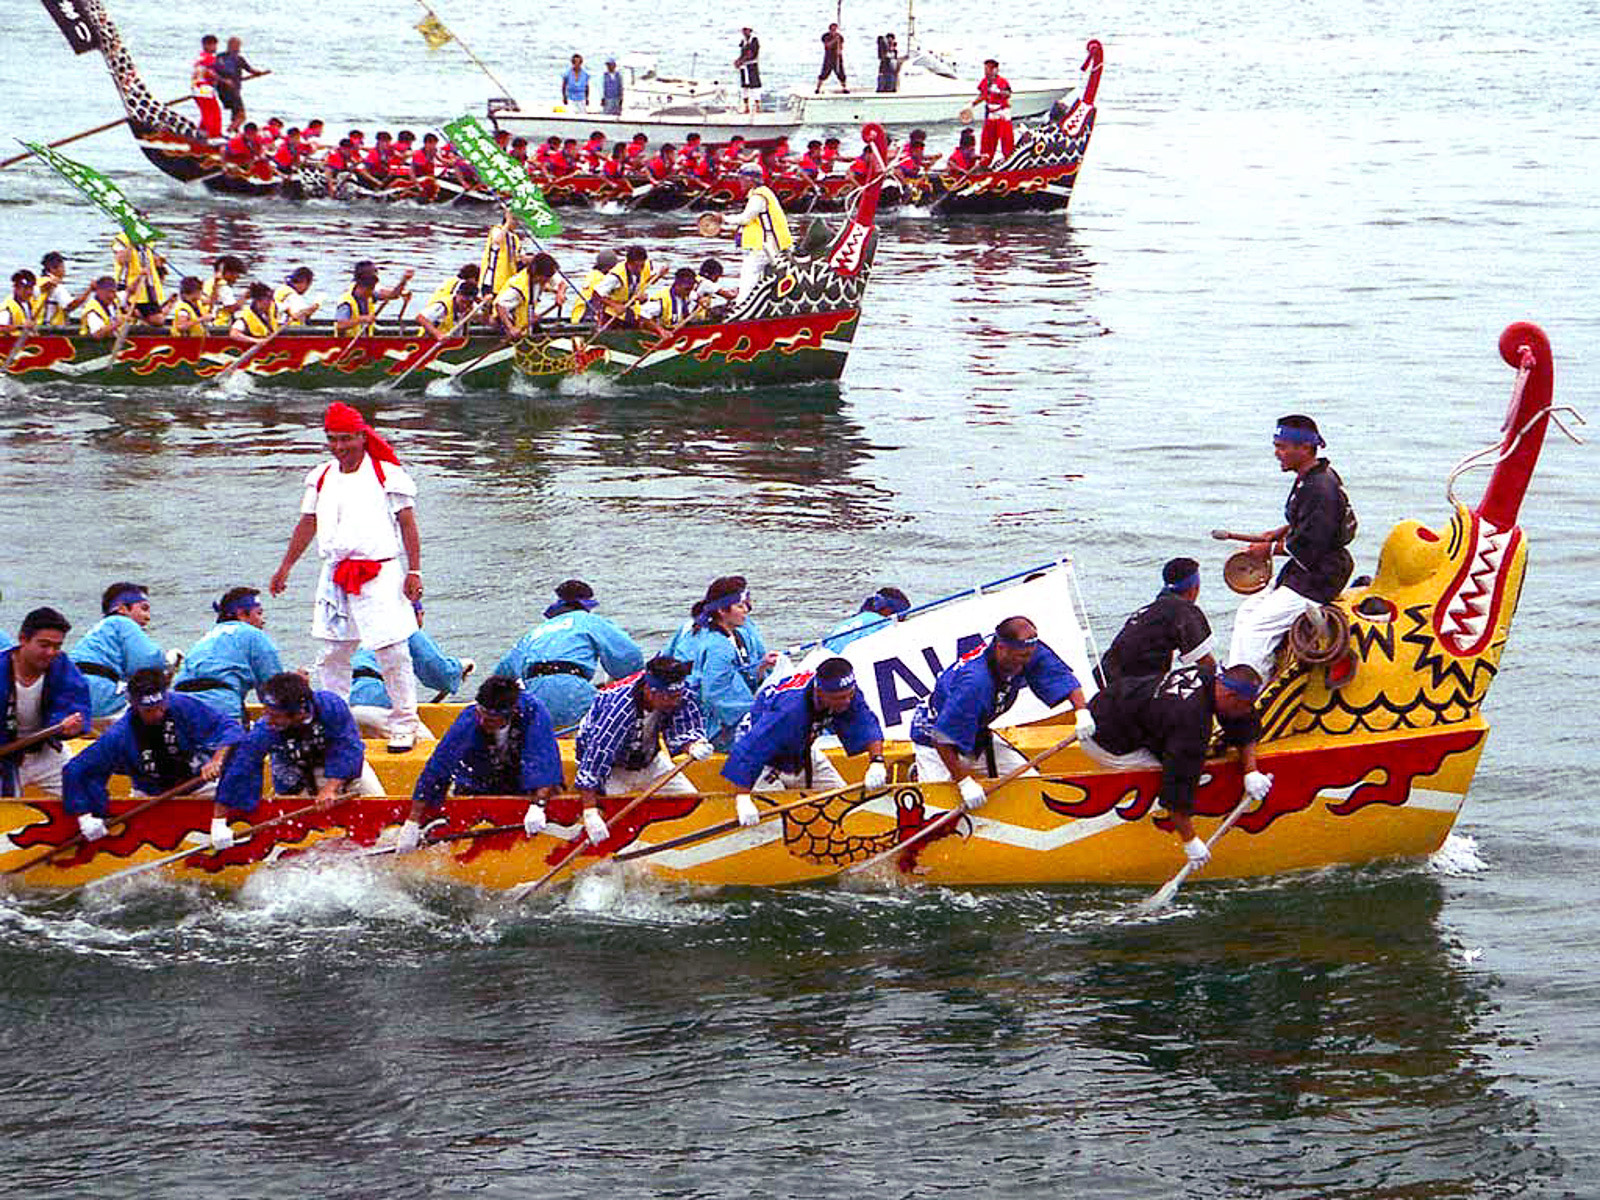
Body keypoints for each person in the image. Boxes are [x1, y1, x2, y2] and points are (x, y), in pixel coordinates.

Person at [268, 402, 424, 752]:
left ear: (362, 437)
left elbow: (408, 524)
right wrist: (285, 566)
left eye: (347, 439)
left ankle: (404, 721)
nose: (340, 447)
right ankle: (334, 720)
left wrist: (414, 570)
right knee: (333, 652)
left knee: (392, 650)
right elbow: (307, 523)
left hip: (380, 571)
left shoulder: (387, 474)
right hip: (336, 573)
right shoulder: (321, 476)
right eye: (333, 439)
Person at [1079, 662, 1272, 870]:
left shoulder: (1208, 677)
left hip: (1115, 703)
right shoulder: (1191, 724)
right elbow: (1176, 787)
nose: (1248, 711)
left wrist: (1251, 771)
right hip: (1105, 738)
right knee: (1172, 773)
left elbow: (1243, 720)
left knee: (1188, 755)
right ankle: (1155, 832)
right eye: (1246, 705)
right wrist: (1191, 841)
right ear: (1231, 696)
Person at [1227, 415, 1358, 679]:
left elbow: (1312, 546)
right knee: (1247, 611)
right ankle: (1234, 677)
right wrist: (1281, 531)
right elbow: (1311, 522)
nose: (1277, 453)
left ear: (1305, 448)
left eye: (1282, 447)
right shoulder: (1310, 478)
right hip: (1302, 571)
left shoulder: (1319, 488)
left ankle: (1250, 694)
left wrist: (1268, 549)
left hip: (1319, 575)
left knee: (1257, 628)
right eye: (1276, 445)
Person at [909, 616, 1091, 800]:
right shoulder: (974, 683)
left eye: (1031, 655)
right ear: (1001, 647)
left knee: (1029, 779)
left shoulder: (1026, 648)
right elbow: (942, 739)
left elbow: (1060, 676)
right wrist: (964, 783)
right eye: (1022, 657)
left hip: (976, 732)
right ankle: (921, 772)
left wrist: (1082, 712)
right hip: (935, 739)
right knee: (940, 802)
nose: (1027, 662)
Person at [61, 667, 244, 844]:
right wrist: (84, 817)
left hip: (200, 785)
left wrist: (217, 759)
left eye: (161, 706)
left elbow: (230, 727)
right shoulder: (119, 735)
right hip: (149, 798)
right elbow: (75, 769)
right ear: (134, 705)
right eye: (149, 710)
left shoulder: (182, 705)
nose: (158, 714)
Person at [401, 675, 563, 850]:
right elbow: (437, 767)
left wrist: (538, 807)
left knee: (549, 785)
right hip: (481, 778)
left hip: (520, 779)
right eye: (481, 715)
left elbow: (544, 763)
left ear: (510, 713)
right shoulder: (471, 718)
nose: (482, 722)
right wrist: (412, 822)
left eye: (491, 720)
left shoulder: (534, 712)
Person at [721, 657, 886, 826]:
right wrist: (743, 798)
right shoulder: (789, 711)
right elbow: (748, 752)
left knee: (842, 802)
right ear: (820, 692)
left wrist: (877, 762)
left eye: (849, 695)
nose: (847, 702)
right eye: (839, 698)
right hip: (762, 754)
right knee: (776, 823)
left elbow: (866, 723)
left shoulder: (846, 691)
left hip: (803, 747)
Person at [215, 672, 382, 836]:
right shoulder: (265, 728)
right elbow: (241, 766)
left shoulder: (331, 705)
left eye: (274, 716)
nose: (268, 720)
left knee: (378, 801)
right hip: (293, 771)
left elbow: (348, 748)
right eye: (265, 712)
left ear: (299, 713)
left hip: (340, 764)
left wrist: (330, 788)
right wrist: (219, 822)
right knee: (307, 828)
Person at [571, 656, 711, 843]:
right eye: (668, 697)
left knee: (688, 800)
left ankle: (660, 841)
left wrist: (693, 745)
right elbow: (596, 758)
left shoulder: (679, 695)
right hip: (613, 768)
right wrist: (589, 810)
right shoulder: (618, 709)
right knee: (611, 819)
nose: (674, 702)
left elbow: (685, 726)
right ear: (650, 691)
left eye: (677, 696)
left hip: (650, 759)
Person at [492, 580, 645, 732]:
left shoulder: (535, 633)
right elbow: (630, 660)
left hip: (536, 702)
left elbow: (500, 676)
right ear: (587, 605)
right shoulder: (589, 621)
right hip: (574, 696)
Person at [662, 575, 776, 750]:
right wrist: (757, 711)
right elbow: (714, 695)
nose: (747, 609)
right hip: (715, 727)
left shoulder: (734, 635)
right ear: (722, 611)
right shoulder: (718, 647)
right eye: (740, 606)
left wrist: (761, 667)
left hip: (720, 716)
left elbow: (737, 676)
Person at [0, 607, 90, 798]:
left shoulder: (63, 666)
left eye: (57, 646)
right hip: (5, 756)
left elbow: (76, 704)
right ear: (23, 639)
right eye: (44, 645)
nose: (51, 652)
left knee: (85, 796)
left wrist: (70, 726)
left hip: (46, 750)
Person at [348, 601, 474, 738]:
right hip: (380, 707)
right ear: (416, 615)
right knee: (433, 749)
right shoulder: (405, 627)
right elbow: (439, 675)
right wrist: (460, 667)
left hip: (347, 709)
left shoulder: (363, 633)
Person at [172, 587, 284, 720]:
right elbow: (274, 689)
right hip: (220, 706)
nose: (263, 620)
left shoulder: (207, 638)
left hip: (179, 704)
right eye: (259, 613)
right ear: (242, 614)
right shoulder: (254, 635)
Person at [1100, 558, 1216, 684]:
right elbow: (1206, 663)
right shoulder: (1182, 609)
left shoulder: (1150, 610)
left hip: (1105, 678)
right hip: (1131, 688)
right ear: (1195, 587)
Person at [71, 582, 167, 720]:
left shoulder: (97, 632)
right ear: (122, 609)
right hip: (98, 692)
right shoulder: (122, 622)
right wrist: (168, 663)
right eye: (144, 608)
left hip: (73, 692)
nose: (148, 617)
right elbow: (148, 662)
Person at [731, 166, 792, 299]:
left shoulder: (758, 197)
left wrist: (722, 219)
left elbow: (745, 218)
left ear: (750, 180)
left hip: (762, 247)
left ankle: (741, 307)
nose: (739, 182)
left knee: (748, 279)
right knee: (763, 278)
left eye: (741, 179)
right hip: (770, 245)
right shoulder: (764, 193)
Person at [495, 252, 565, 338]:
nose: (549, 281)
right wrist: (511, 328)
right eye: (547, 278)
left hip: (526, 321)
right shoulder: (518, 287)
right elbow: (500, 306)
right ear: (538, 274)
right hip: (505, 321)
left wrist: (560, 294)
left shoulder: (546, 275)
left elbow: (561, 283)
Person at [333, 261, 413, 336]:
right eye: (370, 289)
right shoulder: (346, 302)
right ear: (362, 286)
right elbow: (340, 325)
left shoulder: (370, 293)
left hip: (365, 341)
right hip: (347, 343)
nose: (372, 292)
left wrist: (404, 281)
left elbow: (393, 295)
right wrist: (362, 319)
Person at [823, 587, 911, 652]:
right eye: (902, 617)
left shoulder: (849, 622)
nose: (901, 621)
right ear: (888, 611)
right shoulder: (883, 624)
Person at [587, 245, 654, 327]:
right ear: (629, 263)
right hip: (612, 316)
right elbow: (596, 294)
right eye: (636, 266)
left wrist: (642, 297)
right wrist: (615, 305)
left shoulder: (645, 266)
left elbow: (649, 280)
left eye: (642, 266)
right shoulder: (615, 277)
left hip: (631, 312)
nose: (639, 269)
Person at [111, 233, 167, 322]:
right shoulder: (121, 240)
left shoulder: (148, 239)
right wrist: (131, 244)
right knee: (128, 316)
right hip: (128, 285)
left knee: (158, 320)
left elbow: (151, 259)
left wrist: (158, 261)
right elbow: (121, 260)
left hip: (147, 287)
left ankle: (140, 320)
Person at [635, 267, 698, 337]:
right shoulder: (661, 300)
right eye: (687, 289)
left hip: (677, 329)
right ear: (677, 285)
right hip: (662, 333)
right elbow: (643, 316)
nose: (689, 292)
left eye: (691, 288)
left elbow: (699, 298)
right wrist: (661, 330)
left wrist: (703, 300)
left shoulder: (689, 294)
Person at [974, 58, 1014, 165]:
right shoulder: (984, 82)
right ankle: (984, 163)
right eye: (985, 69)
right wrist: (971, 104)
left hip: (1002, 114)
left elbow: (1008, 94)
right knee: (987, 140)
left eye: (988, 69)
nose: (986, 72)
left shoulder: (1002, 81)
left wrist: (999, 92)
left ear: (995, 70)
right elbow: (983, 95)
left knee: (1006, 140)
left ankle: (1009, 161)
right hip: (991, 113)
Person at [478, 209, 524, 300]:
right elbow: (497, 240)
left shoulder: (515, 238)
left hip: (507, 280)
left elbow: (520, 257)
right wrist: (507, 223)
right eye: (515, 220)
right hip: (492, 279)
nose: (517, 223)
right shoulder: (496, 230)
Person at [213, 36, 256, 133]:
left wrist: (258, 73)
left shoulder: (239, 59)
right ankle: (229, 131)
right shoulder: (221, 58)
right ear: (229, 45)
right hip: (227, 90)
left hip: (234, 90)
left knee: (236, 114)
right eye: (235, 45)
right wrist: (224, 80)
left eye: (238, 45)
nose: (237, 48)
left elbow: (249, 69)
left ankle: (235, 132)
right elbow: (216, 72)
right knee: (241, 115)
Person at [569, 249, 620, 321]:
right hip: (585, 318)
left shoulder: (592, 275)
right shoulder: (603, 279)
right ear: (609, 268)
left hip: (576, 316)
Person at [229, 281, 279, 347]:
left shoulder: (270, 311)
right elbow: (234, 334)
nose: (270, 302)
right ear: (258, 301)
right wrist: (256, 341)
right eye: (268, 300)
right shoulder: (246, 316)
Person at [191, 34, 222, 138]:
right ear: (207, 45)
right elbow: (210, 73)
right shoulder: (209, 58)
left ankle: (202, 132)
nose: (215, 48)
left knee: (206, 111)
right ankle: (213, 135)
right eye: (214, 45)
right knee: (213, 112)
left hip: (196, 88)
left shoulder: (200, 57)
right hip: (204, 88)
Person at [203, 256, 246, 328]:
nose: (237, 277)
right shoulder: (223, 287)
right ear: (228, 273)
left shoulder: (208, 282)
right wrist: (244, 297)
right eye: (237, 273)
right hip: (219, 324)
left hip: (208, 322)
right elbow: (232, 308)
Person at [735, 27, 761, 112]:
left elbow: (751, 54)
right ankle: (746, 107)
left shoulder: (754, 40)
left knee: (754, 86)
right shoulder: (743, 41)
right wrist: (738, 61)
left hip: (752, 66)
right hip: (744, 66)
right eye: (743, 30)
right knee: (744, 87)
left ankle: (757, 106)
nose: (744, 32)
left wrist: (741, 61)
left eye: (746, 30)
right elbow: (743, 53)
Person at [816, 23, 848, 93]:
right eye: (832, 29)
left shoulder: (839, 37)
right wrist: (834, 40)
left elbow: (841, 47)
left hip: (837, 58)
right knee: (824, 73)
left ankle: (844, 88)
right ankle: (818, 88)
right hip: (829, 58)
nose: (834, 31)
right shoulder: (826, 36)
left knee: (841, 73)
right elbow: (827, 45)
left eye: (835, 29)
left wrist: (839, 49)